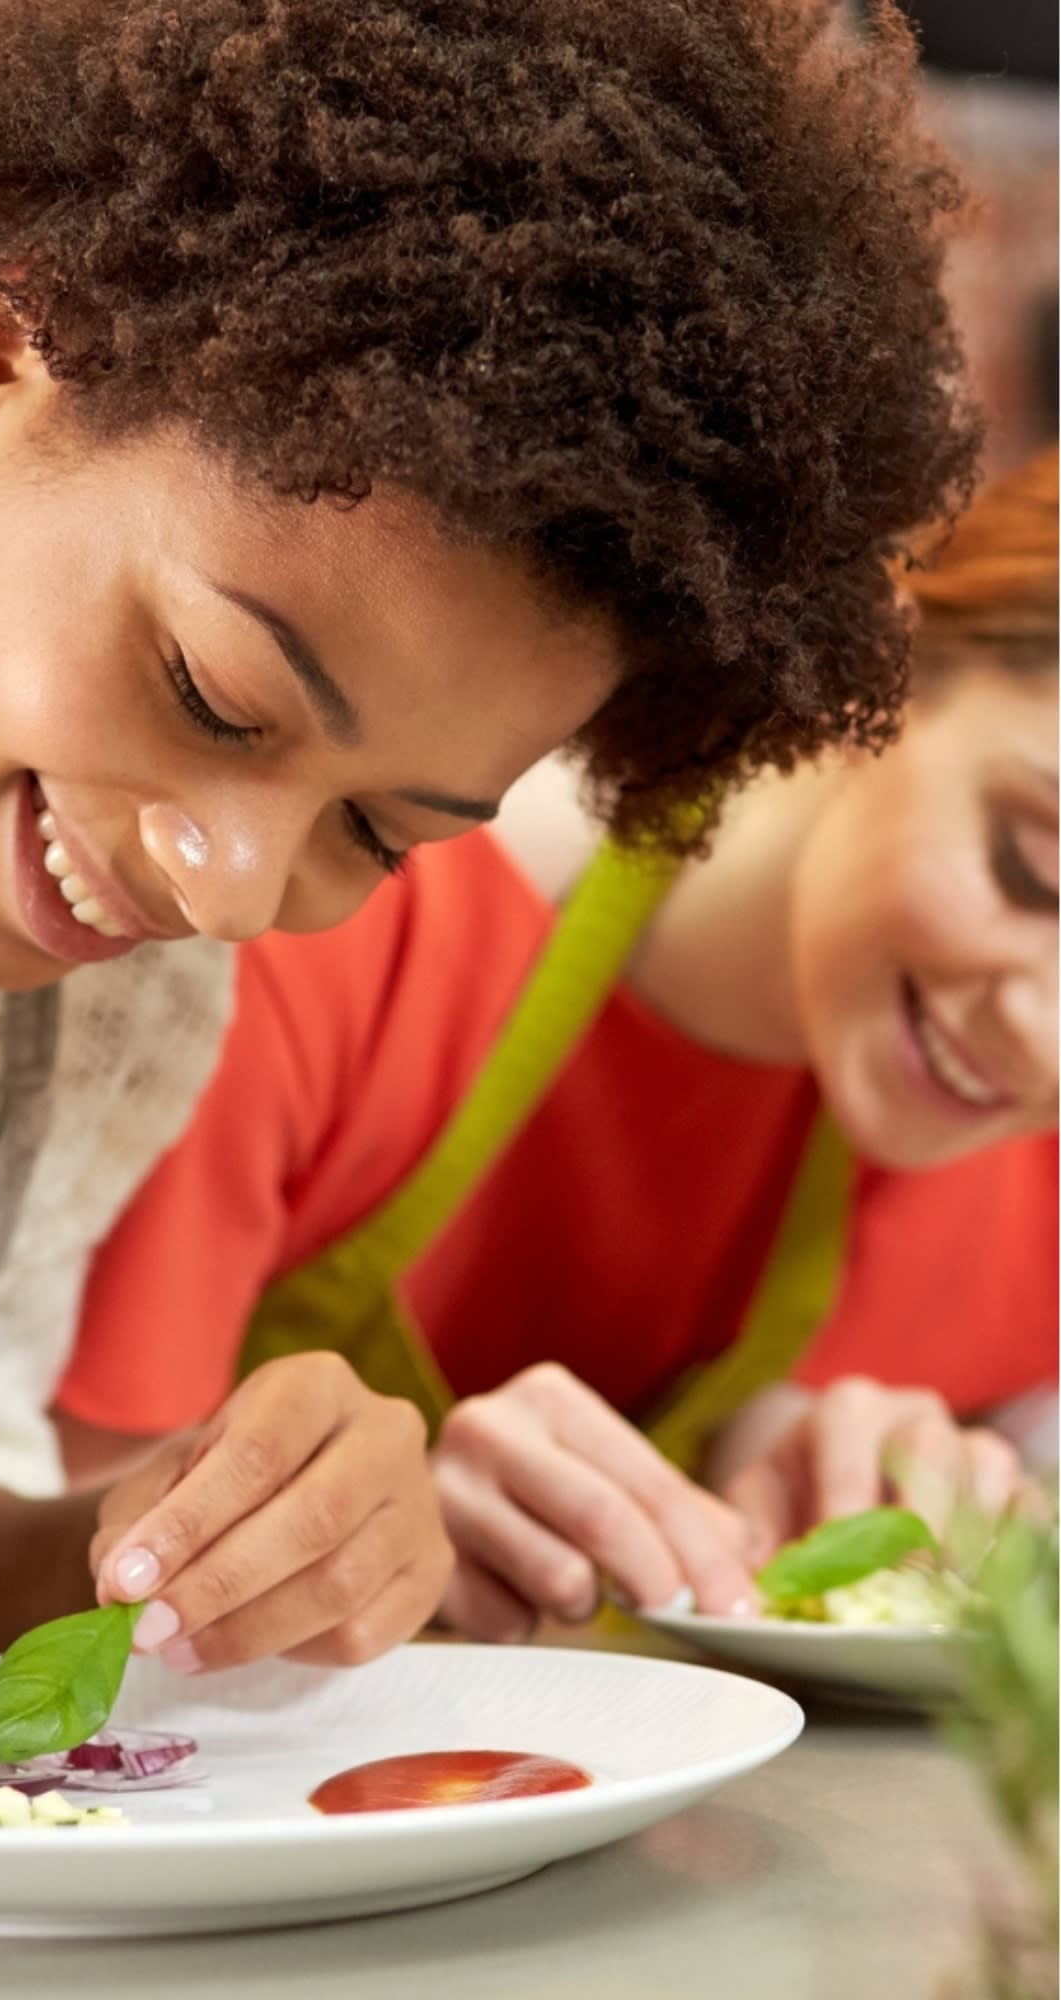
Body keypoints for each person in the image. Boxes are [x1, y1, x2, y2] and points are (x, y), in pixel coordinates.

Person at [0, 0, 978, 1766]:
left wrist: (146, 1546)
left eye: (377, 832)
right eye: (210, 697)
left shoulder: (130, 984)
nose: (229, 888)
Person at [59, 449, 1057, 1643]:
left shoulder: (1010, 1185)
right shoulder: (342, 913)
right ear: (884, 666)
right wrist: (358, 1552)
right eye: (1030, 869)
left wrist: (803, 1487)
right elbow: (49, 1553)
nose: (1041, 1038)